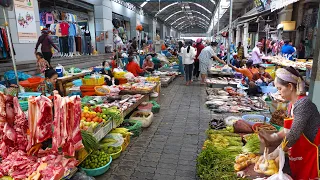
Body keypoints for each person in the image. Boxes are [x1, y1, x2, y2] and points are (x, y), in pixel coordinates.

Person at [259, 66, 320, 180]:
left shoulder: (303, 105)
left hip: (311, 155)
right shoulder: (291, 104)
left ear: (290, 87)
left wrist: (276, 152)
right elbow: (287, 129)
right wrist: (273, 136)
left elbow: (293, 134)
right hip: (299, 154)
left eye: (280, 88)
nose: (278, 92)